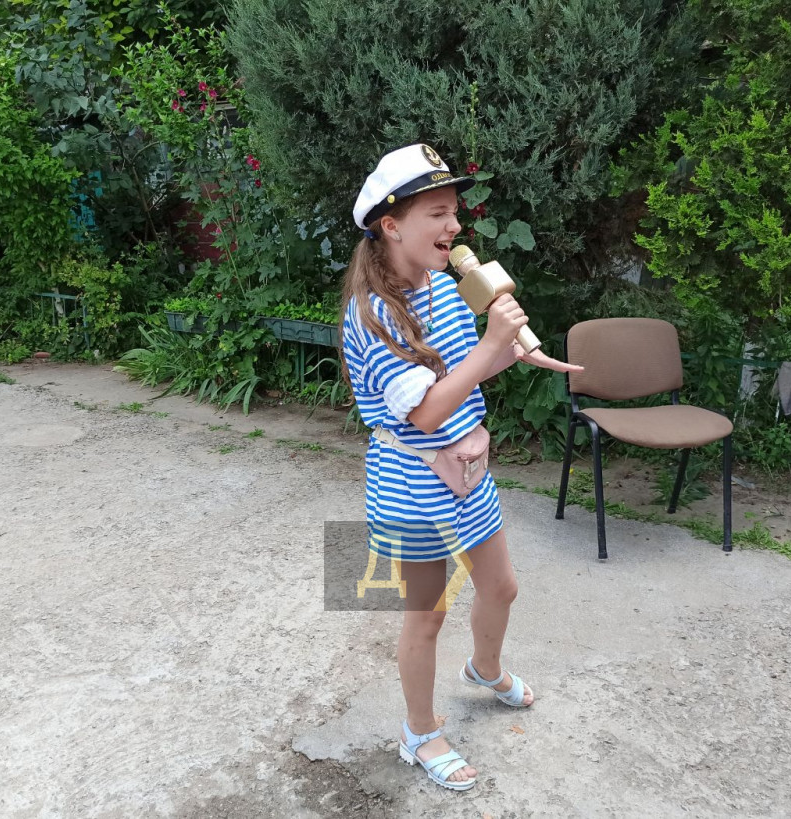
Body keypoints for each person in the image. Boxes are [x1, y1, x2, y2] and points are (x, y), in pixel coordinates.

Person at [340, 143, 583, 791]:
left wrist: (512, 348)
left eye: (454, 212)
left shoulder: (444, 287)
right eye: (438, 213)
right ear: (391, 225)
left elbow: (464, 374)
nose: (454, 226)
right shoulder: (373, 313)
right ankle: (420, 733)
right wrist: (492, 344)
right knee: (427, 616)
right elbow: (424, 411)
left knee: (501, 587)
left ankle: (484, 669)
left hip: (467, 469)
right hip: (410, 480)